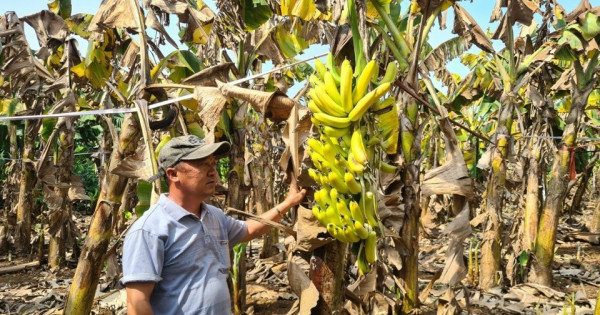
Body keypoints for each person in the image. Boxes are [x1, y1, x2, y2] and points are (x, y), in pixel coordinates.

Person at [121, 135, 306, 315]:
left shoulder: (214, 216)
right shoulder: (150, 230)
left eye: (213, 164)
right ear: (173, 174)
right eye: (202, 164)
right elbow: (137, 303)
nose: (213, 172)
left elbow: (250, 229)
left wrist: (288, 203)